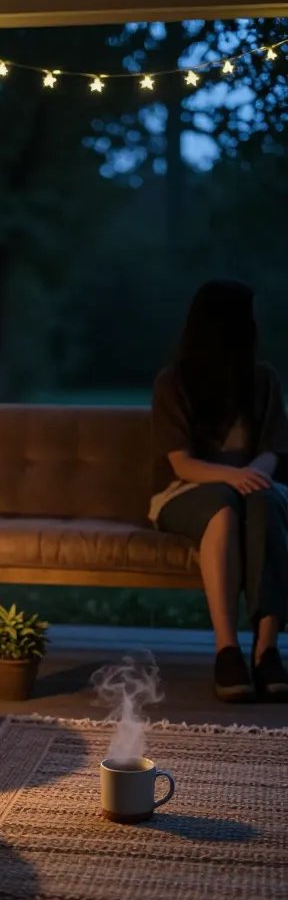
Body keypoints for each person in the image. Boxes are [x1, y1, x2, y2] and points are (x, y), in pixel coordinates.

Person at [150, 279, 288, 702]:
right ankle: (226, 649)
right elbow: (181, 462)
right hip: (186, 490)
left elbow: (274, 451)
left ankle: (266, 650)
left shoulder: (263, 380)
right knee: (224, 508)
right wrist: (233, 477)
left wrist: (253, 476)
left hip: (254, 486)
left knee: (265, 501)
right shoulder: (174, 382)